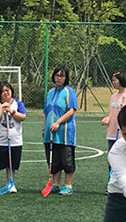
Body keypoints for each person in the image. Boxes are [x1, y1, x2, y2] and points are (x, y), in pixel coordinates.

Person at [0, 81, 27, 194]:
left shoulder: (18, 103)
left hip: (15, 140)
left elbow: (23, 116)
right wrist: (2, 108)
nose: (5, 93)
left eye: (7, 90)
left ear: (11, 91)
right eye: (2, 91)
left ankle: (11, 183)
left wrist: (12, 111)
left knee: (11, 164)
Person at [43, 66, 78, 195]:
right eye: (57, 75)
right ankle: (56, 184)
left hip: (65, 132)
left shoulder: (69, 92)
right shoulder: (50, 92)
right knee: (54, 159)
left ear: (66, 78)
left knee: (67, 160)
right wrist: (44, 128)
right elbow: (46, 112)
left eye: (62, 76)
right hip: (50, 132)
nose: (59, 78)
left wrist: (58, 122)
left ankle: (68, 185)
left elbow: (71, 110)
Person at [101, 71, 126, 171]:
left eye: (115, 80)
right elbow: (111, 113)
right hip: (111, 133)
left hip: (123, 134)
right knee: (112, 158)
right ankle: (112, 180)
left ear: (121, 80)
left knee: (123, 158)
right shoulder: (113, 97)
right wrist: (107, 118)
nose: (113, 82)